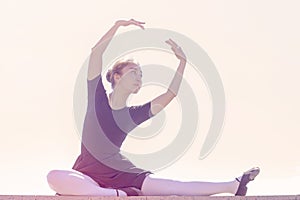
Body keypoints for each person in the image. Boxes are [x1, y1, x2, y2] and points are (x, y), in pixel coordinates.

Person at [46, 18, 260, 196]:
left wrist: (182, 62)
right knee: (54, 176)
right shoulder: (97, 96)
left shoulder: (133, 114)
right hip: (87, 174)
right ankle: (118, 194)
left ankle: (233, 185)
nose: (139, 78)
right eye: (133, 72)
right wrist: (117, 26)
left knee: (174, 187)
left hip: (122, 173)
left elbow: (170, 94)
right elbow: (96, 53)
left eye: (141, 75)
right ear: (117, 76)